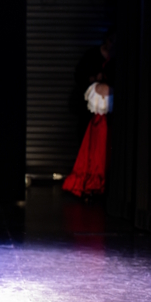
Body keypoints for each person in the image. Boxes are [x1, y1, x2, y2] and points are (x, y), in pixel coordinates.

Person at [63, 26, 115, 197]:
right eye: (110, 40)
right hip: (92, 116)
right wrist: (93, 79)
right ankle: (90, 183)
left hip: (107, 117)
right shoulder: (92, 55)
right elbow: (80, 74)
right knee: (91, 151)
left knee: (102, 151)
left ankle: (101, 183)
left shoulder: (115, 59)